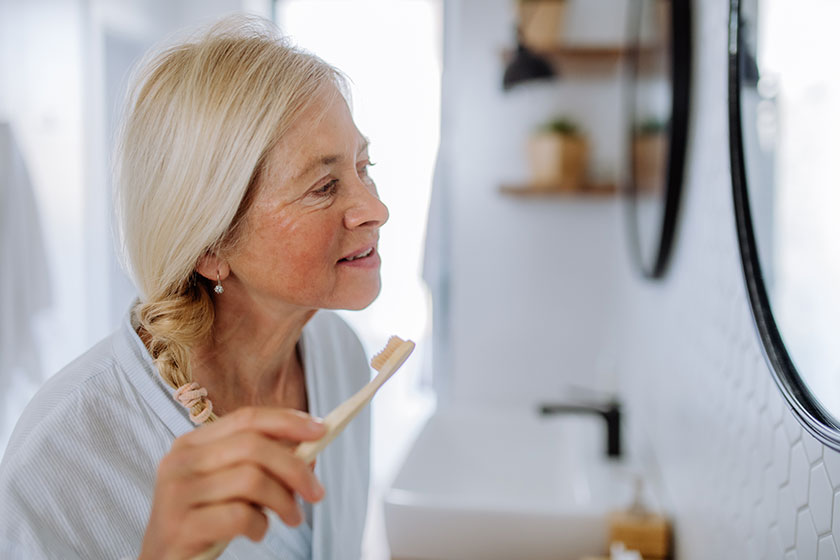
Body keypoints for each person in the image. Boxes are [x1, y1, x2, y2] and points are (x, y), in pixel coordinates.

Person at [0, 14, 388, 560]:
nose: (377, 209)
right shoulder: (63, 452)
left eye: (364, 167)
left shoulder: (342, 357)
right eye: (325, 186)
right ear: (210, 247)